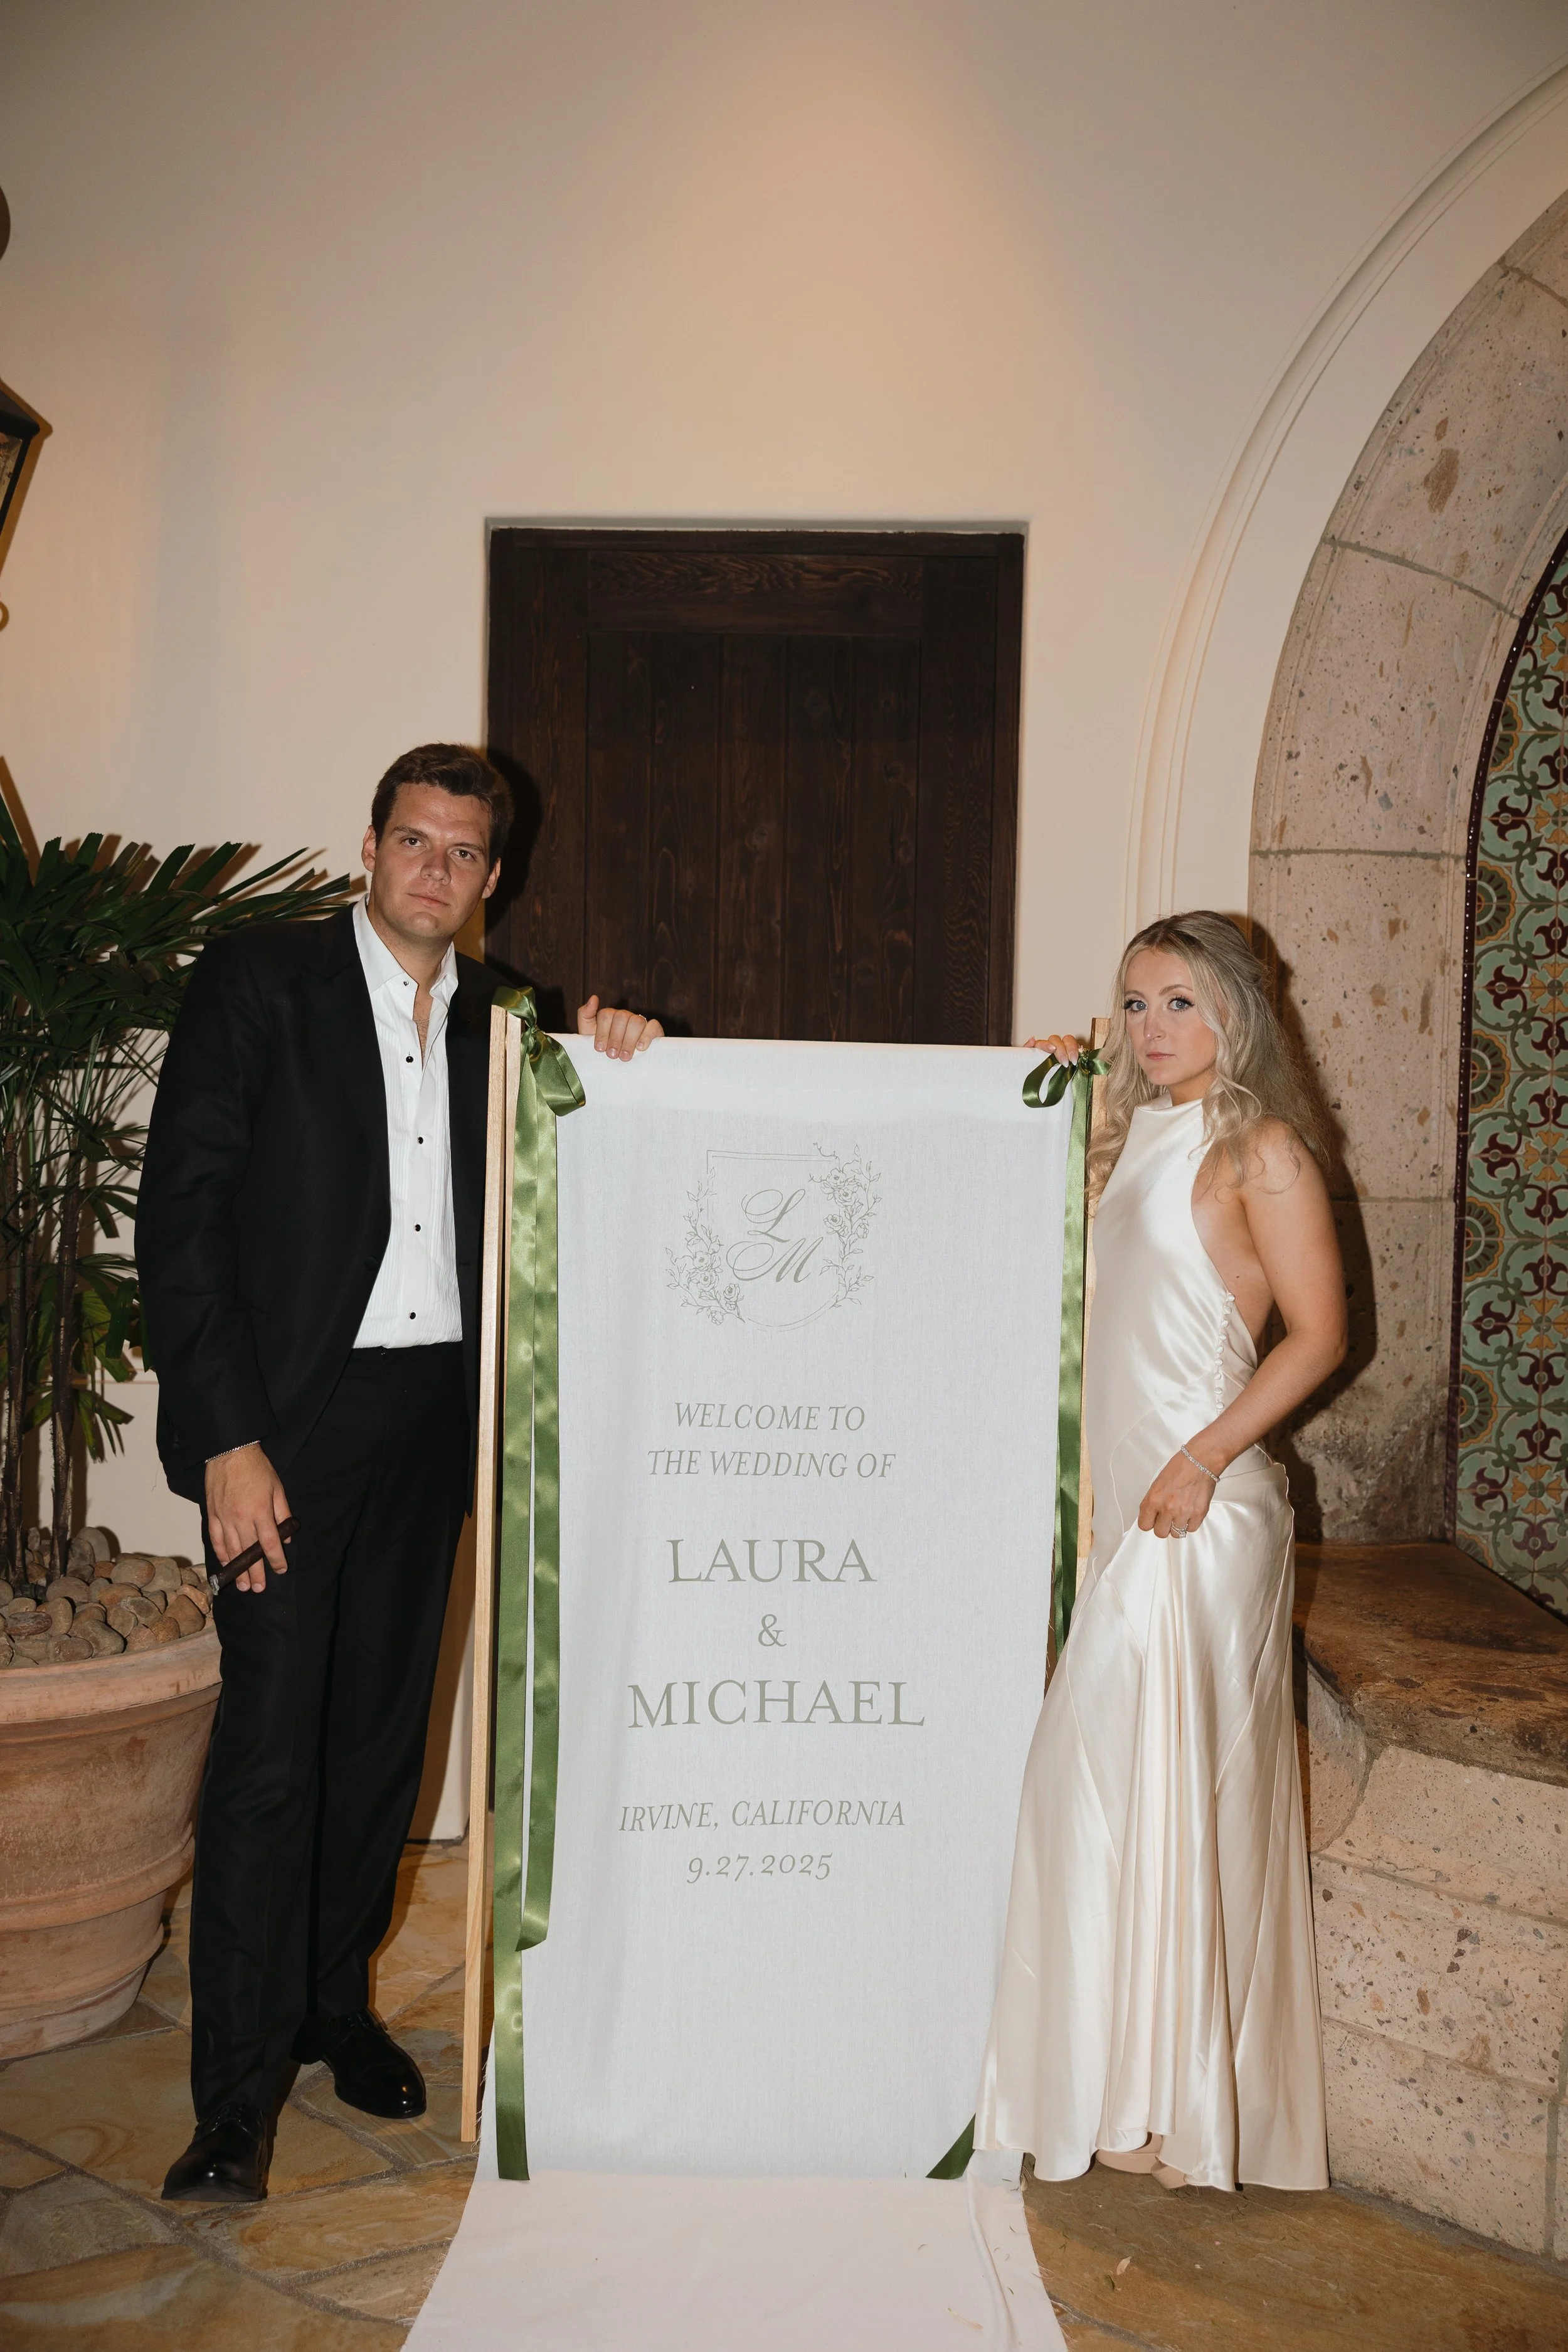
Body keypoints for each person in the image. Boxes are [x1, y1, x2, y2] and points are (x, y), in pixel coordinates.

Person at [137, 743, 662, 2204]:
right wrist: (226, 1443)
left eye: (462, 852)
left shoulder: (513, 1018)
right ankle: (234, 2100)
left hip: (442, 1424)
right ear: (367, 845)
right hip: (288, 1432)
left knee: (378, 1740)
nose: (434, 869)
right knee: (267, 1759)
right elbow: (179, 1225)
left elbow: (578, 1189)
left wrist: (618, 1054)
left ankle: (331, 2006)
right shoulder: (259, 985)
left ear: (493, 876)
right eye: (411, 841)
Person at [977, 911, 1344, 2193]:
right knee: (1108, 1796)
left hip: (1199, 1515)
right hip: (1118, 1510)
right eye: (1133, 1004)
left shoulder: (1265, 1151)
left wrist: (1195, 1462)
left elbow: (1317, 1336)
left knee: (1153, 1793)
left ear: (1235, 1010)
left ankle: (1167, 2112)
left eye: (1178, 1002)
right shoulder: (1126, 1132)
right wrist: (1043, 1112)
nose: (1150, 1029)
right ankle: (1110, 2090)